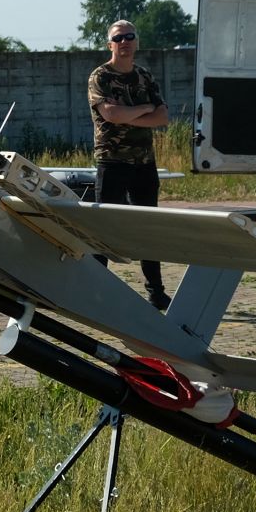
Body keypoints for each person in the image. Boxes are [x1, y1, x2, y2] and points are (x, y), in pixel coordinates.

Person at [87, 20, 172, 310]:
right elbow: (110, 114)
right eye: (118, 38)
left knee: (148, 227)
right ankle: (94, 292)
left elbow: (162, 117)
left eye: (129, 37)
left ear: (136, 43)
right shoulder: (100, 77)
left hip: (144, 163)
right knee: (105, 228)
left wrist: (130, 114)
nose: (124, 42)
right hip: (112, 162)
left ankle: (156, 292)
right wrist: (143, 109)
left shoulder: (144, 77)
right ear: (110, 44)